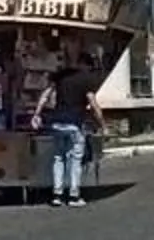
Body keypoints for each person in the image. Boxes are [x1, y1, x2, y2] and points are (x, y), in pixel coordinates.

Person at [37, 66, 91, 207]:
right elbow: (93, 102)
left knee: (58, 158)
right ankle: (74, 196)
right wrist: (102, 123)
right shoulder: (84, 80)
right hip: (74, 123)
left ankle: (57, 195)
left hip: (58, 123)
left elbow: (45, 96)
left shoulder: (59, 79)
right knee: (75, 159)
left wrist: (37, 114)